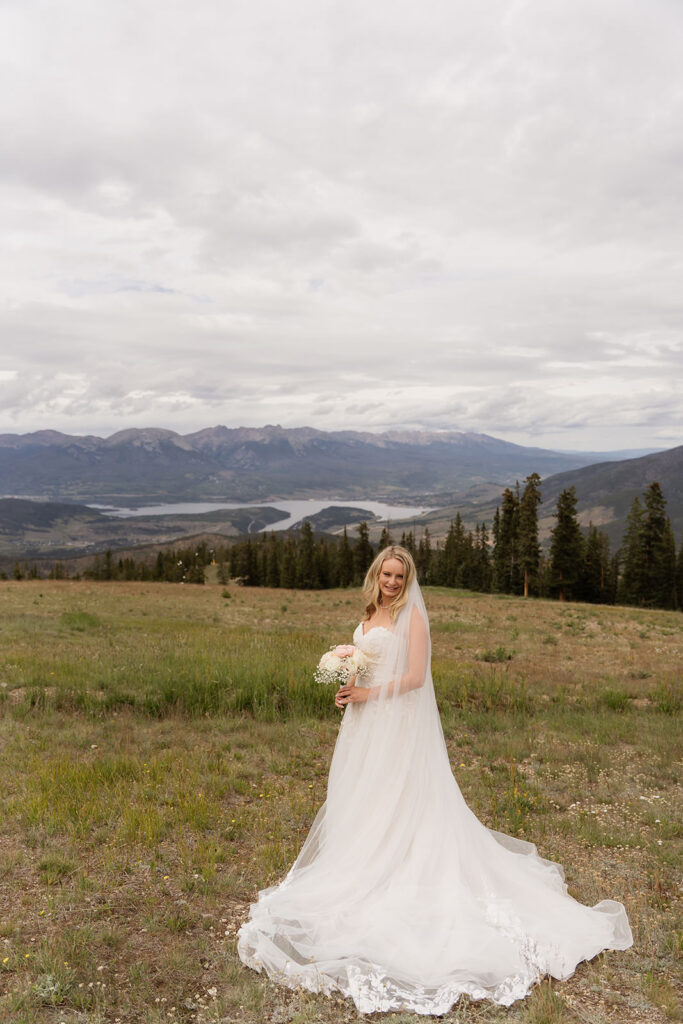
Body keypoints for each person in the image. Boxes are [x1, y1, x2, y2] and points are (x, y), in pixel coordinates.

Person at [238, 546, 632, 1015]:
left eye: (399, 575)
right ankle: (362, 859)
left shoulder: (414, 617)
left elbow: (417, 677)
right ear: (376, 575)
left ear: (408, 579)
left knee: (400, 797)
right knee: (363, 795)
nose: (391, 582)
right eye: (385, 574)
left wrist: (369, 690)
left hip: (396, 721)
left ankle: (400, 865)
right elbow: (368, 660)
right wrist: (349, 686)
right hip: (365, 722)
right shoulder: (370, 610)